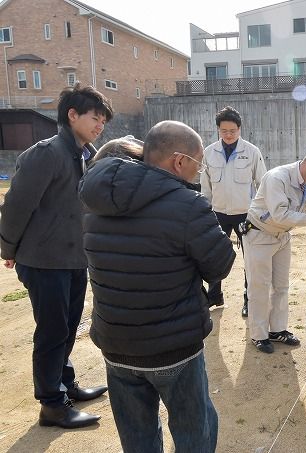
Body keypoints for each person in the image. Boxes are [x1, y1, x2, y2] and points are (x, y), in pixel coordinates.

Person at [79, 120, 236, 452]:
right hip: (173, 348)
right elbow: (219, 266)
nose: (197, 173)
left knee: (138, 437)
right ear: (179, 161)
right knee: (195, 431)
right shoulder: (188, 205)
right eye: (197, 165)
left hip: (116, 345)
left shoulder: (94, 206)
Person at [0, 83, 113, 429]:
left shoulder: (85, 154)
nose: (100, 125)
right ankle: (51, 403)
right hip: (44, 259)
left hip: (74, 258)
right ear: (72, 115)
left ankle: (65, 384)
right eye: (95, 117)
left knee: (66, 327)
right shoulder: (45, 153)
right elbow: (16, 206)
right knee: (52, 331)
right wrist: (8, 248)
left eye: (103, 120)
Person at [241, 148, 306, 353]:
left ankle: (277, 330)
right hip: (260, 235)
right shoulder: (277, 178)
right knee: (260, 287)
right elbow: (279, 214)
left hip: (282, 237)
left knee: (281, 286)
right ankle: (259, 335)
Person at [201, 106, 266, 315]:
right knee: (214, 256)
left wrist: (257, 212)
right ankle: (214, 296)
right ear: (218, 130)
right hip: (218, 213)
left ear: (240, 129)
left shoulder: (251, 152)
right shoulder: (209, 152)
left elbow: (262, 184)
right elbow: (206, 186)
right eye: (224, 131)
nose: (228, 135)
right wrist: (206, 212)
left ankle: (249, 299)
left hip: (245, 214)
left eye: (233, 131)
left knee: (250, 258)